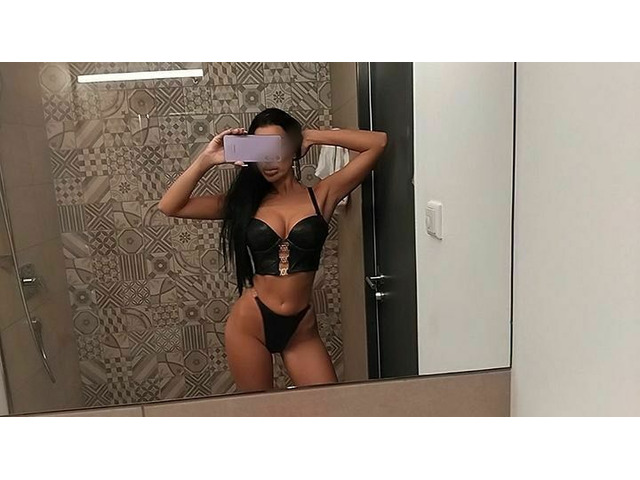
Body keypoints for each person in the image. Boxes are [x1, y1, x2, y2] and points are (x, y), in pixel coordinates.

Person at [158, 108, 387, 392]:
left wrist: (309, 136)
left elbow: (378, 143)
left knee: (328, 407)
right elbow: (170, 205)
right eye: (260, 150)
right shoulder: (243, 204)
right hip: (250, 325)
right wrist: (207, 159)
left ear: (292, 148)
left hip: (301, 329)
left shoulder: (322, 196)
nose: (267, 160)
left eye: (275, 148)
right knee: (261, 411)